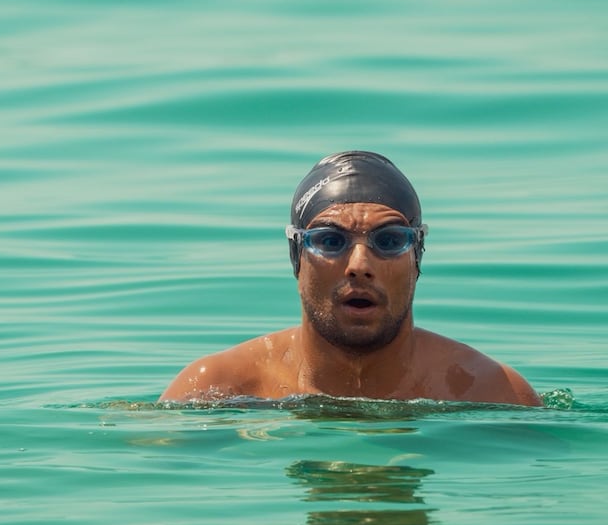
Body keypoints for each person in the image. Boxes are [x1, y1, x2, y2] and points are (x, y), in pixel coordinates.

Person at [160, 151, 540, 406]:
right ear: (297, 257)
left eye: (389, 241)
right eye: (330, 241)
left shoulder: (490, 391)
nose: (359, 263)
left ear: (417, 256)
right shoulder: (219, 390)